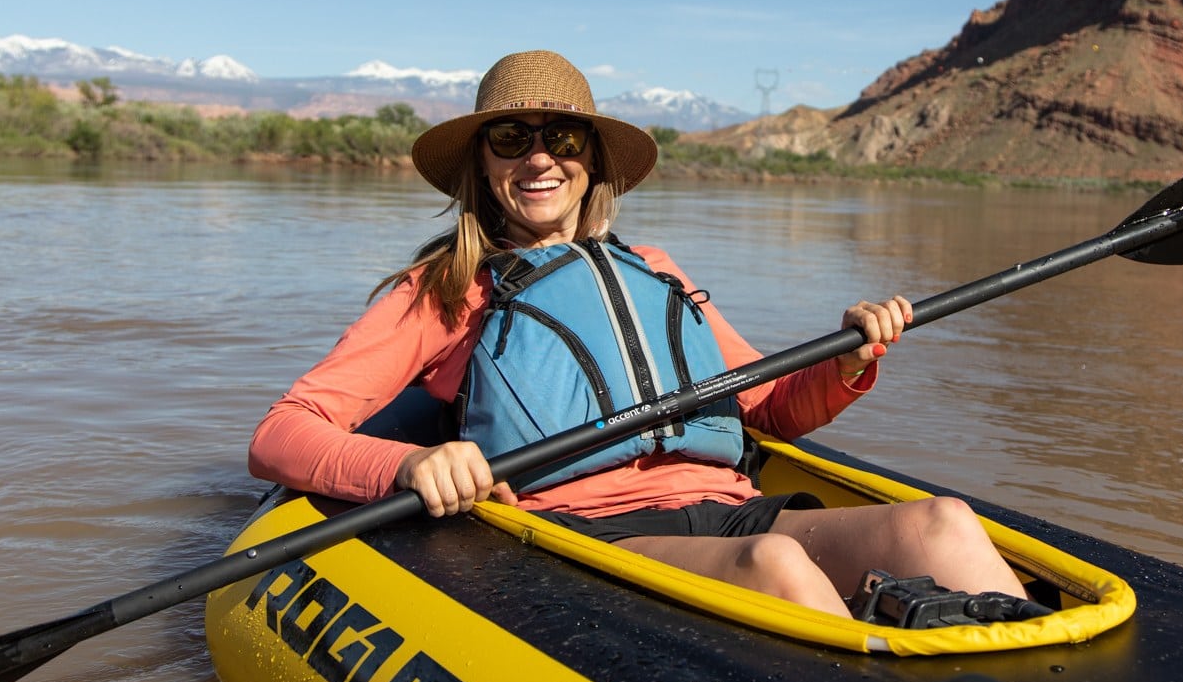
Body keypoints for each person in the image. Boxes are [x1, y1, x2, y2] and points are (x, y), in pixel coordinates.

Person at [248, 50, 1028, 619]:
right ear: (481, 165)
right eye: (512, 138)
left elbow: (773, 408)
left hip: (729, 508)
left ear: (592, 160)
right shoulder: (447, 288)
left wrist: (856, 356)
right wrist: (416, 461)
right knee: (774, 564)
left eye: (564, 138)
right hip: (592, 534)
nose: (541, 157)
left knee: (941, 521)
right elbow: (283, 434)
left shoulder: (651, 269)